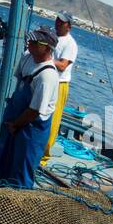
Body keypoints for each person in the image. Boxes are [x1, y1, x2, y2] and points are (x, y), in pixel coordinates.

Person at [0, 27, 60, 189]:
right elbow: (19, 81)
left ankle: (17, 204)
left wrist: (16, 124)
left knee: (22, 170)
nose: (30, 43)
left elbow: (34, 111)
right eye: (30, 40)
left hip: (32, 128)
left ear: (47, 48)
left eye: (35, 42)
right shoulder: (27, 58)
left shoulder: (47, 76)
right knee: (4, 159)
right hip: (15, 117)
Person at [41, 11, 78, 165]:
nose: (57, 23)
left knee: (53, 120)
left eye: (61, 22)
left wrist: (45, 58)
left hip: (59, 84)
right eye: (56, 19)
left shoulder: (70, 44)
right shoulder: (52, 37)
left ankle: (44, 157)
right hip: (46, 80)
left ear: (68, 26)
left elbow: (62, 65)